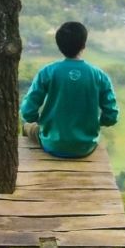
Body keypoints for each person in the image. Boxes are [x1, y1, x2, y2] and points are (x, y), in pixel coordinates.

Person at [20, 21, 119, 158]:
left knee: (27, 126)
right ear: (83, 45)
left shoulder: (47, 72)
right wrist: (94, 123)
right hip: (86, 147)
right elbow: (111, 116)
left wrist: (40, 122)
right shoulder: (100, 76)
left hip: (51, 144)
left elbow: (27, 111)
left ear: (59, 45)